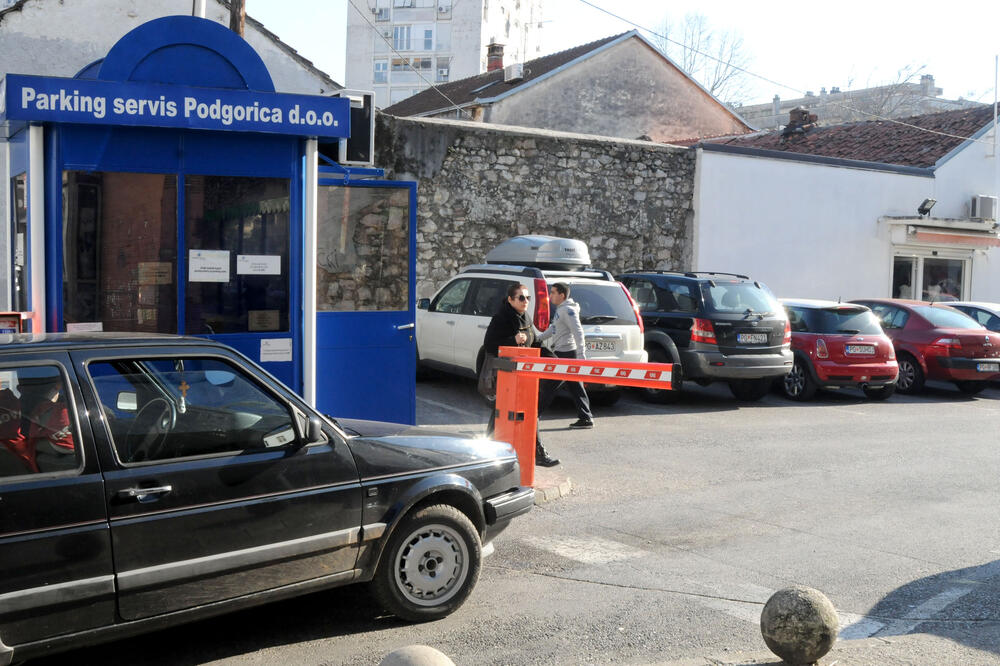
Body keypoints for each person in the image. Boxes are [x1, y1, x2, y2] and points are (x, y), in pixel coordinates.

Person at [483, 283, 560, 467]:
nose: (526, 301)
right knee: (500, 415)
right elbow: (489, 345)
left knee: (518, 413)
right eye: (521, 298)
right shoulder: (501, 318)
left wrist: (553, 359)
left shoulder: (525, 317)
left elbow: (534, 343)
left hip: (524, 377)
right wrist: (513, 340)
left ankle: (536, 454)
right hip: (507, 376)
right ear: (510, 299)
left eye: (528, 298)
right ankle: (485, 452)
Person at [536, 282, 594, 429]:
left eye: (553, 292)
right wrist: (539, 338)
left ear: (562, 295)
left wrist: (581, 355)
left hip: (566, 354)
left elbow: (578, 331)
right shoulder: (560, 310)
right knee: (575, 386)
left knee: (548, 386)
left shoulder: (567, 310)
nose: (550, 296)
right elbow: (553, 328)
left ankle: (533, 416)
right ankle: (586, 418)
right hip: (563, 353)